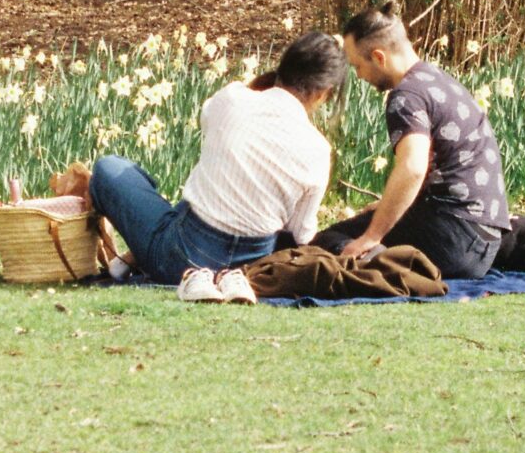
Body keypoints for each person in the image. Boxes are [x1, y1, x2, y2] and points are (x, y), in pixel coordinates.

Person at [88, 31, 345, 304]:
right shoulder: (318, 150)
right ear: (323, 93)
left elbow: (207, 121)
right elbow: (301, 234)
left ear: (282, 66)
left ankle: (140, 255)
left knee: (109, 168)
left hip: (180, 256)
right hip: (251, 267)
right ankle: (145, 257)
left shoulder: (233, 98)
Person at [316, 0, 511, 280]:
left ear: (379, 57)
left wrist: (372, 235)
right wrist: (387, 208)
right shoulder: (438, 79)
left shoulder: (406, 96)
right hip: (485, 241)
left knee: (328, 239)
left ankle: (376, 258)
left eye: (358, 66)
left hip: (454, 242)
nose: (359, 75)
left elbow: (413, 168)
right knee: (366, 223)